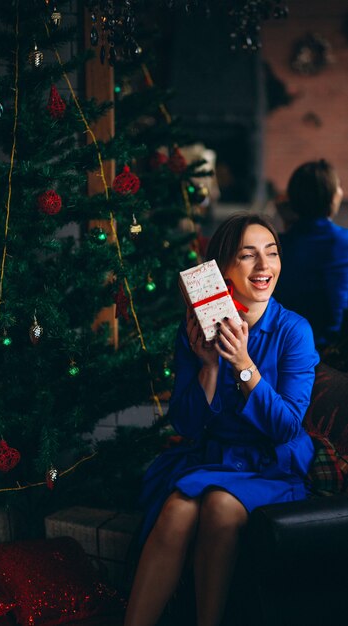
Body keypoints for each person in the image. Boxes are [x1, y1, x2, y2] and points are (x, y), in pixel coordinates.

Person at [124, 213, 319, 626]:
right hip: (212, 457)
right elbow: (187, 426)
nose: (265, 267)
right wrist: (209, 367)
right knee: (176, 511)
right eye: (249, 256)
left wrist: (245, 366)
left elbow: (286, 427)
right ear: (222, 269)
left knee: (220, 506)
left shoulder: (294, 331)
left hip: (270, 463)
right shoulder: (195, 328)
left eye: (272, 253)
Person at [274, 159, 348, 349]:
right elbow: (340, 305)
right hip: (325, 348)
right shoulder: (340, 241)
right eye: (338, 186)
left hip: (283, 342)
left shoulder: (279, 243)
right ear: (331, 196)